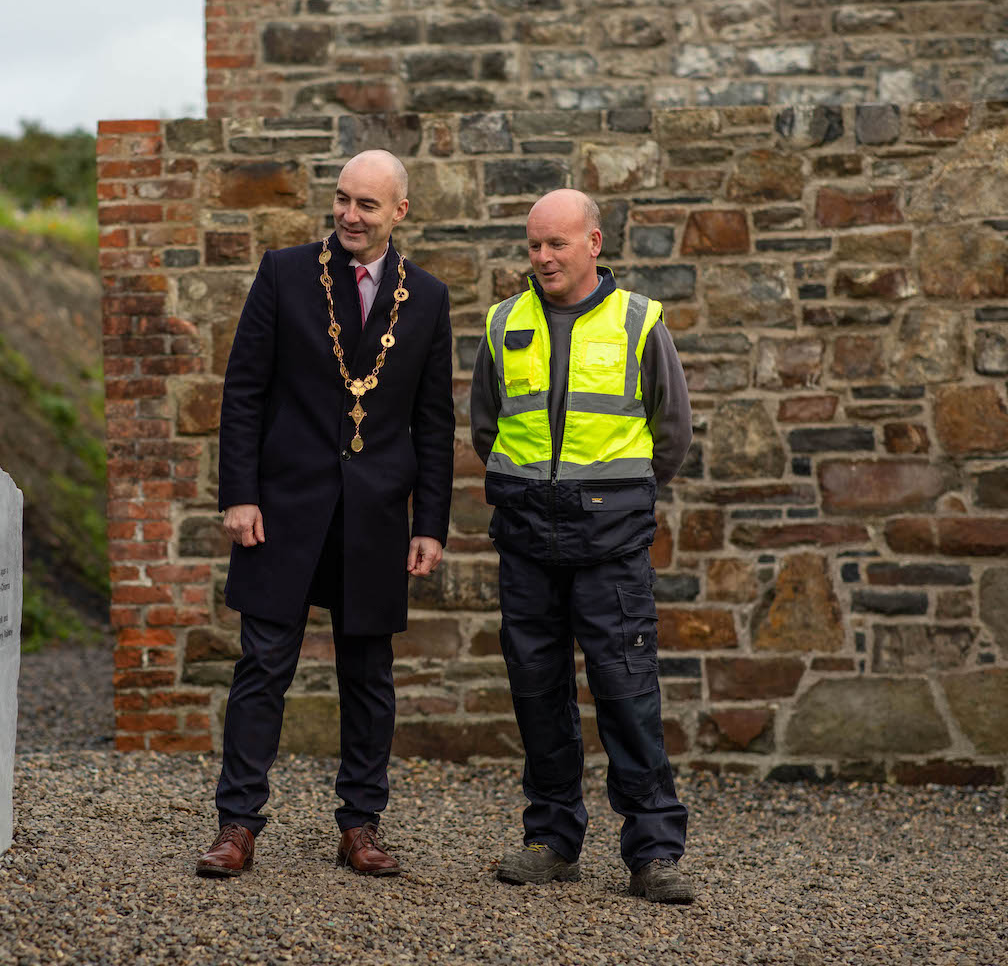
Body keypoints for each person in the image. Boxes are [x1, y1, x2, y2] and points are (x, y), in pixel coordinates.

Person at [196, 149, 455, 879]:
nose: (348, 214)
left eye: (367, 204)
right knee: (263, 667)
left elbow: (435, 421)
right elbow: (243, 388)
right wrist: (238, 493)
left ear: (399, 212)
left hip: (375, 516)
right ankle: (237, 824)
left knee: (368, 677)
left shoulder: (428, 298)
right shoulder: (283, 273)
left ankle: (361, 826)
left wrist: (430, 522)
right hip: (280, 506)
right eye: (342, 199)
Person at [469, 188, 696, 904]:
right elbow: (487, 429)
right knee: (538, 696)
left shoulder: (638, 322)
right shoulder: (505, 322)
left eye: (556, 244)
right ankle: (552, 840)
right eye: (534, 245)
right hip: (528, 540)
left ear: (593, 244)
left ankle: (653, 853)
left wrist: (616, 496)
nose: (541, 258)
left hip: (611, 546)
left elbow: (673, 434)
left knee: (628, 698)